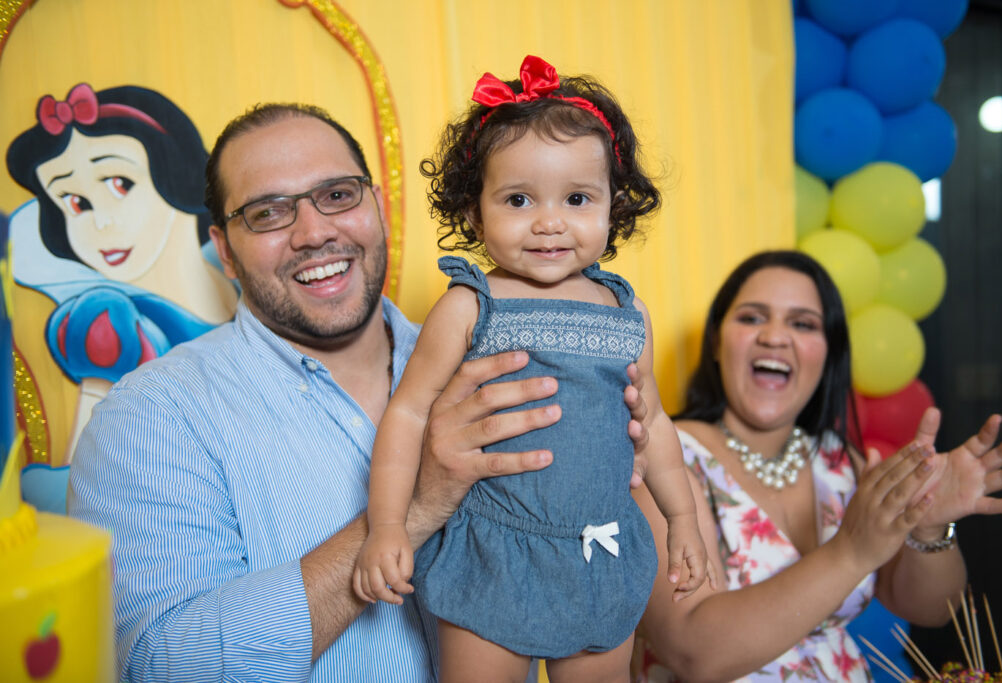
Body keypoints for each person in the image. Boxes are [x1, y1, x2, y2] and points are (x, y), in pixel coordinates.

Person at [67, 101, 650, 682]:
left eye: (338, 195)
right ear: (225, 250)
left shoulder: (517, 352)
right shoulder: (149, 418)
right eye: (269, 213)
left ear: (379, 208)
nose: (314, 232)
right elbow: (159, 667)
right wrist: (414, 507)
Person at [352, 55, 709, 683]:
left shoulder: (627, 312)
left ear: (613, 206)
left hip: (599, 548)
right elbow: (406, 413)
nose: (548, 222)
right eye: (518, 199)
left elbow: (651, 425)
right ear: (473, 211)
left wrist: (683, 520)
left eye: (576, 198)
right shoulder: (469, 305)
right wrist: (387, 527)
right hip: (495, 550)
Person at [632, 250, 1002, 681]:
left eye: (803, 324)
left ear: (828, 355)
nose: (775, 337)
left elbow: (930, 609)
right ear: (715, 342)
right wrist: (851, 550)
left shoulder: (839, 462)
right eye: (751, 318)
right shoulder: (661, 461)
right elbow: (692, 650)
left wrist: (925, 528)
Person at [7, 83, 237, 474]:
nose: (101, 223)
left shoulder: (248, 283)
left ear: (174, 172)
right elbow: (87, 473)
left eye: (119, 184)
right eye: (75, 203)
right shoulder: (107, 321)